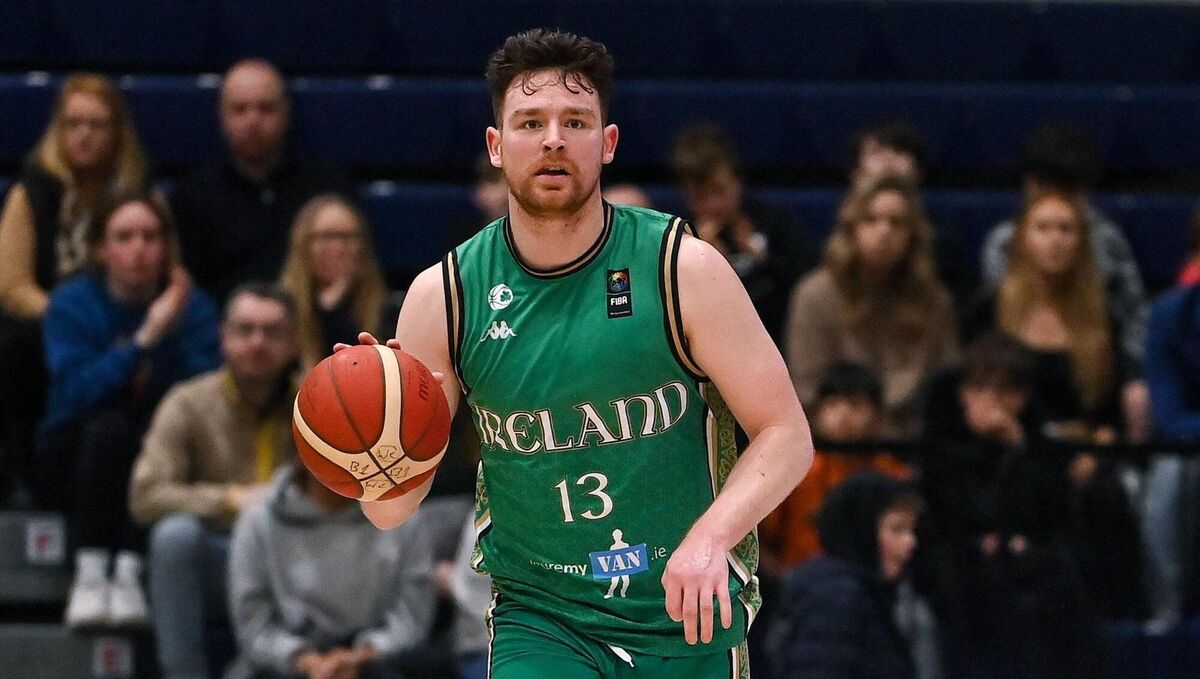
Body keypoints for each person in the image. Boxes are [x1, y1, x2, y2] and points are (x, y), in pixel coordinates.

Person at [343, 29, 813, 678]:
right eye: (530, 122)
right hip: (542, 615)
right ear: (496, 146)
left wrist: (711, 536)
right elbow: (391, 509)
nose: (553, 139)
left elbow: (787, 434)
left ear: (607, 143)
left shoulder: (682, 269)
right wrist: (375, 429)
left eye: (576, 121)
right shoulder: (444, 297)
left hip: (683, 601)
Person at [41, 192, 220, 630]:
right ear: (101, 249)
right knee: (111, 428)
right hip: (74, 450)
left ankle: (127, 572)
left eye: (150, 236)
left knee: (154, 435)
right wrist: (146, 340)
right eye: (124, 237)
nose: (139, 248)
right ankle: (90, 573)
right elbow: (73, 394)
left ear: (166, 247)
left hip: (158, 453)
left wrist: (159, 343)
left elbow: (200, 394)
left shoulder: (193, 308)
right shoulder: (72, 303)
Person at [129, 283, 299, 679]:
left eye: (272, 332)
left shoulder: (321, 402)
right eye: (245, 330)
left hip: (294, 557)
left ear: (294, 341)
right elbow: (145, 495)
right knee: (174, 536)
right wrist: (230, 500)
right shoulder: (187, 401)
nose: (257, 342)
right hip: (217, 556)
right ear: (223, 337)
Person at [0, 73, 151, 506]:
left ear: (117, 133)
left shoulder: (135, 197)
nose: (83, 135)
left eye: (96, 125)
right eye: (73, 124)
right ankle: (21, 473)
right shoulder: (30, 194)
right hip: (50, 325)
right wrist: (74, 319)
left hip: (123, 321)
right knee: (16, 345)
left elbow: (158, 274)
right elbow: (12, 288)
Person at [225, 463, 436, 679]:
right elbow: (254, 627)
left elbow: (412, 617)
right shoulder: (258, 520)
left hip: (376, 662)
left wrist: (364, 654)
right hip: (284, 664)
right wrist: (305, 661)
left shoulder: (404, 516)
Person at [786, 175, 959, 436]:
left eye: (897, 223)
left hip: (911, 444)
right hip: (831, 443)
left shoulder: (933, 299)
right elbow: (807, 390)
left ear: (912, 235)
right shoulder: (814, 295)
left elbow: (946, 387)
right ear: (851, 228)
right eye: (870, 220)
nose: (884, 232)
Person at [171, 59, 353, 304]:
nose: (253, 121)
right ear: (222, 116)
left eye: (266, 108)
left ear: (286, 112)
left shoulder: (325, 186)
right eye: (240, 109)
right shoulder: (192, 195)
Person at [979, 123, 1148, 367]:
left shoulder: (1108, 240)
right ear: (1029, 184)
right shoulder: (1003, 242)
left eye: (1068, 189)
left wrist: (1133, 374)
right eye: (1047, 186)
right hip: (1016, 366)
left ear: (1085, 190)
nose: (1056, 198)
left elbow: (1135, 315)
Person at [767, 472, 922, 679]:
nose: (910, 542)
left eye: (911, 530)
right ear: (860, 527)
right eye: (896, 529)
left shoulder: (866, 591)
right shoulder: (837, 597)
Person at [671, 122, 814, 345]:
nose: (713, 204)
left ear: (737, 180)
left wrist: (761, 256)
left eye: (719, 190)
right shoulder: (678, 239)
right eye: (699, 196)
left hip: (778, 339)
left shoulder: (773, 221)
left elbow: (805, 279)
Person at [848, 119, 975, 311]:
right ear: (856, 175)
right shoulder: (837, 244)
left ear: (918, 174)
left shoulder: (944, 248)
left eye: (900, 152)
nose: (889, 161)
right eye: (878, 153)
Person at [279, 194, 398, 369]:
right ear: (303, 245)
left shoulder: (388, 312)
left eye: (348, 237)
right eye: (326, 237)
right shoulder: (278, 310)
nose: (338, 248)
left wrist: (335, 309)